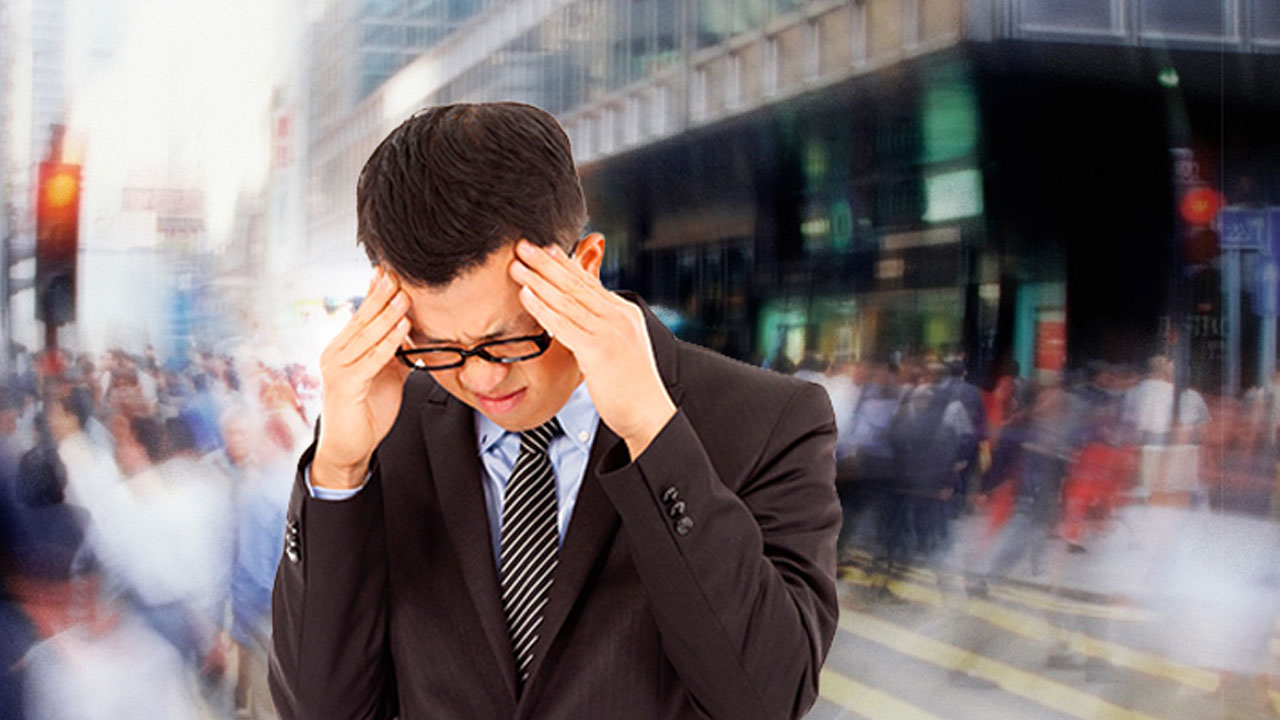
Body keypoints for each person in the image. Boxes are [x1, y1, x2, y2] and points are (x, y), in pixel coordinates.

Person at [268, 102, 841, 720]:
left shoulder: (770, 422)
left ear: (583, 267)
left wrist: (653, 433)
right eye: (438, 345)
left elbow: (765, 700)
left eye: (510, 336)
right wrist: (339, 473)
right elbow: (319, 710)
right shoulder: (384, 433)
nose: (480, 375)